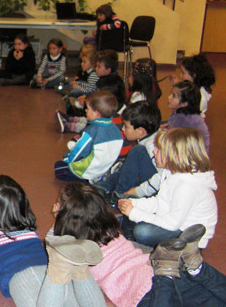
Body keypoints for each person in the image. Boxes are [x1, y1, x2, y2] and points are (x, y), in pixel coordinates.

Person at [54, 183, 226, 307]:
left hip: (153, 285)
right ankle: (177, 270)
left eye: (58, 205)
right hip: (152, 281)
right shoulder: (102, 236)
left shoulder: (88, 245)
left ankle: (194, 267)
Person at [0, 175, 105, 307]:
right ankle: (78, 267)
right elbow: (46, 241)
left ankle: (61, 266)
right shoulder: (26, 221)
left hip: (16, 272)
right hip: (44, 264)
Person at [118, 127, 217, 248]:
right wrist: (134, 204)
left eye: (159, 150)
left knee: (143, 232)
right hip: (171, 221)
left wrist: (135, 213)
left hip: (186, 236)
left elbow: (172, 224)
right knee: (130, 200)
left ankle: (134, 237)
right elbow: (160, 202)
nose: (154, 152)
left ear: (175, 156)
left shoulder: (188, 187)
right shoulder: (170, 172)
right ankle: (131, 237)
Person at [91, 101, 162, 200]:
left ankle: (119, 194)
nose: (123, 129)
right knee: (128, 165)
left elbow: (163, 178)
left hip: (161, 191)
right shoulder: (150, 138)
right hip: (153, 183)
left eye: (126, 126)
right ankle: (104, 187)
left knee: (137, 151)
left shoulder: (154, 146)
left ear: (141, 131)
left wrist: (138, 191)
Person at [54, 90, 123, 183]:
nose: (85, 110)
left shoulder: (91, 131)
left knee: (58, 167)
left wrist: (66, 158)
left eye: (88, 109)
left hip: (89, 171)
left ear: (96, 113)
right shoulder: (116, 129)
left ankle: (88, 180)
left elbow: (79, 151)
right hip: (105, 168)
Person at [57, 50, 126, 132]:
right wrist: (86, 97)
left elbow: (102, 101)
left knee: (93, 122)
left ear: (108, 70)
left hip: (112, 114)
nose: (96, 69)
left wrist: (87, 100)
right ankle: (73, 119)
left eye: (99, 67)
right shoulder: (107, 79)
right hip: (107, 110)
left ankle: (71, 126)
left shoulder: (111, 83)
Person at [167, 81, 210, 151]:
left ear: (184, 104)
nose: (169, 97)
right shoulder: (181, 112)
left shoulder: (186, 120)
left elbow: (172, 141)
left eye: (173, 96)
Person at [169, 53, 215, 117]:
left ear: (194, 75)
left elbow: (183, 113)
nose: (180, 76)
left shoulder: (201, 97)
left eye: (183, 73)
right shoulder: (192, 88)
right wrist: (176, 86)